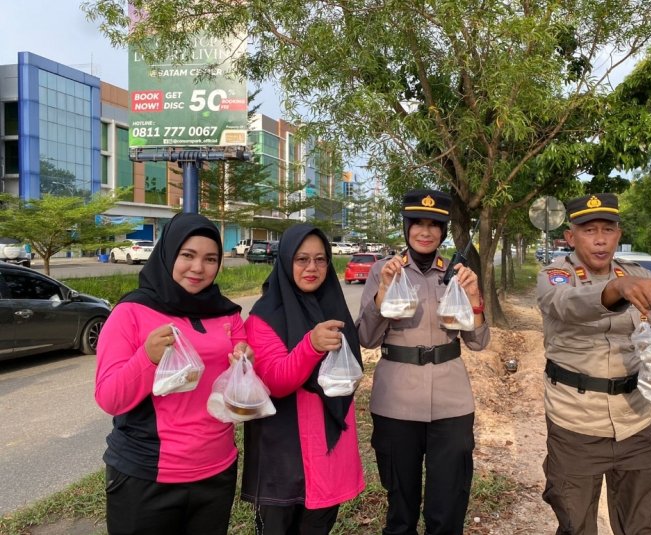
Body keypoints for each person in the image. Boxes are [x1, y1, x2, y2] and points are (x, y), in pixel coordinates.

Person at [95, 212, 248, 535]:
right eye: (187, 255)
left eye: (210, 259)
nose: (198, 268)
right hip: (147, 474)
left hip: (216, 470)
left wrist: (246, 362)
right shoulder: (131, 313)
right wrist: (147, 358)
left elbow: (241, 375)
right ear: (167, 254)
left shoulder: (227, 313)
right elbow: (110, 398)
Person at [537, 193, 651, 535]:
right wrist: (616, 289)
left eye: (608, 229)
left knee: (643, 523)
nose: (600, 239)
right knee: (576, 524)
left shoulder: (638, 273)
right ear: (571, 237)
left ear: (618, 234)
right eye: (588, 230)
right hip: (575, 422)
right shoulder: (556, 276)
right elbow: (566, 306)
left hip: (635, 420)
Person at [357, 189, 490, 535]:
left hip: (451, 400)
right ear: (406, 227)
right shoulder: (383, 271)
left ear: (444, 232)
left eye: (435, 225)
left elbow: (477, 342)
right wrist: (383, 292)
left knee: (448, 505)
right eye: (418, 223)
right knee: (401, 507)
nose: (426, 232)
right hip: (396, 400)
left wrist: (474, 298)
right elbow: (367, 338)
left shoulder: (459, 273)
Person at [241, 223, 365, 535]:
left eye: (320, 259)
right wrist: (310, 345)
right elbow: (275, 381)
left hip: (326, 450)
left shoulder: (333, 306)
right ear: (285, 261)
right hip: (282, 454)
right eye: (302, 259)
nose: (312, 267)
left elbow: (351, 375)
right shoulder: (264, 316)